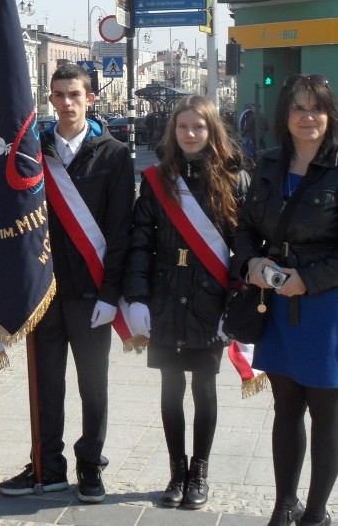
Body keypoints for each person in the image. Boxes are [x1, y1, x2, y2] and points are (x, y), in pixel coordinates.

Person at [0, 63, 134, 502]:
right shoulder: (36, 150)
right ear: (50, 99)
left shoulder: (113, 154)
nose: (67, 102)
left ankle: (91, 466)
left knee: (93, 386)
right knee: (46, 383)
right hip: (44, 290)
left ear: (90, 98)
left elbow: (120, 231)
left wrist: (112, 295)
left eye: (75, 94)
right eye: (59, 94)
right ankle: (47, 464)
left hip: (92, 292)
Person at [123, 95, 249, 509]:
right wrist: (137, 298)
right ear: (173, 132)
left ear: (212, 132)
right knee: (170, 387)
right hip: (164, 298)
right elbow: (140, 243)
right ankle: (176, 471)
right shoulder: (158, 180)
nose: (190, 134)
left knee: (205, 388)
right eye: (183, 127)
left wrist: (234, 304)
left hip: (209, 301)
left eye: (199, 127)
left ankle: (200, 472)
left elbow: (243, 250)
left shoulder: (233, 180)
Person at [234, 74, 338, 526]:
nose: (308, 117)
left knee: (327, 411)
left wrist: (309, 279)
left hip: (326, 306)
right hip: (276, 302)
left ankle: (315, 513)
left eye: (317, 108)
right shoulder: (268, 164)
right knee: (285, 407)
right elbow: (244, 228)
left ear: (329, 115)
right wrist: (251, 264)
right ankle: (284, 504)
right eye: (298, 108)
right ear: (285, 116)